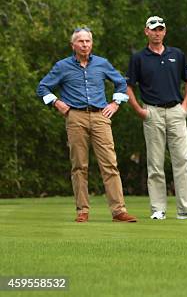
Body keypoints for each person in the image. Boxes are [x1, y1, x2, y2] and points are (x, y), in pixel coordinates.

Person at [37, 28, 137, 223]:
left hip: (101, 116)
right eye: (81, 41)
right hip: (75, 117)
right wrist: (57, 103)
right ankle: (82, 210)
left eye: (88, 41)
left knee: (110, 164)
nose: (85, 45)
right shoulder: (62, 66)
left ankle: (118, 211)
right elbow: (42, 87)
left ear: (92, 44)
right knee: (79, 166)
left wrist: (115, 104)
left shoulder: (102, 64)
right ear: (73, 45)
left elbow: (121, 83)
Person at [126, 16, 187, 220]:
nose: (157, 33)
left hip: (176, 111)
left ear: (165, 31)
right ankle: (158, 209)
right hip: (152, 112)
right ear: (146, 31)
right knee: (155, 163)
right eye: (153, 29)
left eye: (160, 29)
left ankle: (186, 209)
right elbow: (128, 86)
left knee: (182, 160)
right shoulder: (139, 58)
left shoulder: (176, 54)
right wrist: (139, 110)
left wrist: (185, 106)